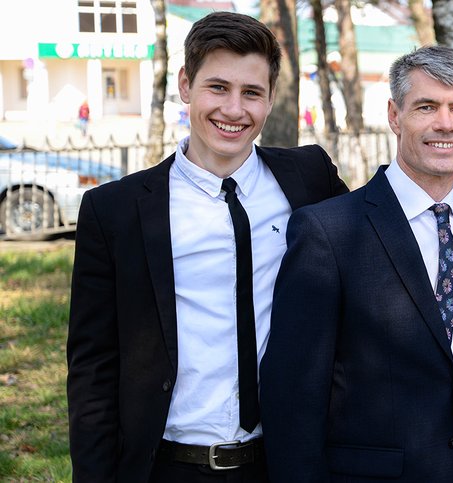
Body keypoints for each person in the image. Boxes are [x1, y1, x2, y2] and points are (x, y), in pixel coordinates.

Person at [66, 12, 349, 482]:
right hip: (170, 465)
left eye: (252, 93)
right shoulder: (115, 211)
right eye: (218, 88)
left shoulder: (309, 177)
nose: (234, 110)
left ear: (271, 98)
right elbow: (93, 367)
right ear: (185, 84)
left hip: (285, 461)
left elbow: (383, 224)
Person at [259, 45, 453, 482]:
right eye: (426, 107)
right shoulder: (328, 231)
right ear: (394, 115)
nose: (445, 124)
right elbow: (293, 394)